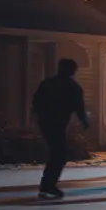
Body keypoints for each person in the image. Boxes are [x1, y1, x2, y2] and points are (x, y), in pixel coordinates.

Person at [32, 58, 89, 199]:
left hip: (45, 122)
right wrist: (85, 122)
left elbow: (36, 102)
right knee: (58, 155)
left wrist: (37, 117)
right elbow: (79, 107)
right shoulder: (72, 87)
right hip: (57, 123)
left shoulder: (47, 83)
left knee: (56, 153)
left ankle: (48, 185)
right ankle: (48, 186)